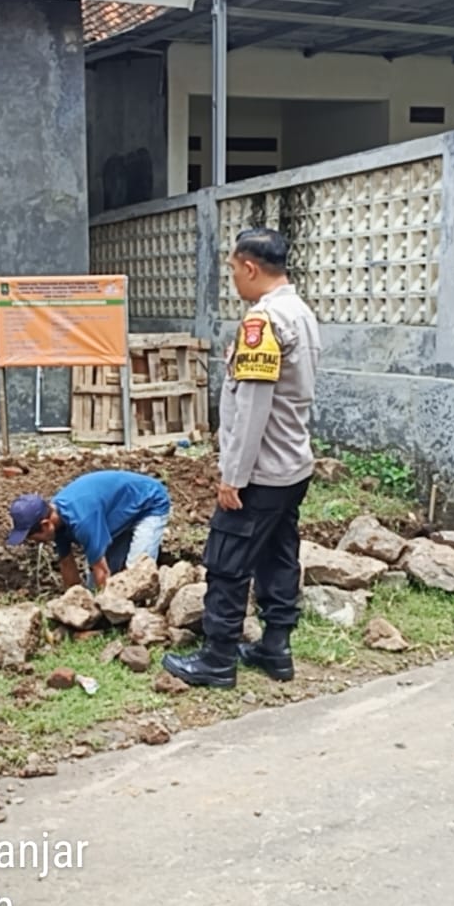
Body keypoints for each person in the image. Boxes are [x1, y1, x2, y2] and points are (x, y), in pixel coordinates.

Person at [163, 228, 321, 689]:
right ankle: (276, 648)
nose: (232, 278)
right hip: (292, 465)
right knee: (277, 555)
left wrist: (233, 476)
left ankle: (217, 660)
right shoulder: (301, 312)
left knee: (227, 562)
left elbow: (252, 407)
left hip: (261, 471)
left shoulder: (263, 322)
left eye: (233, 269)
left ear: (250, 268)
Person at [7, 470, 172, 591]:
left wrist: (105, 614)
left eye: (34, 537)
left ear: (45, 525)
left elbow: (102, 572)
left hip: (149, 502)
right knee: (94, 588)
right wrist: (74, 603)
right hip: (120, 512)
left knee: (135, 575)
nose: (35, 542)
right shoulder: (57, 521)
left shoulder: (82, 520)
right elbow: (67, 563)